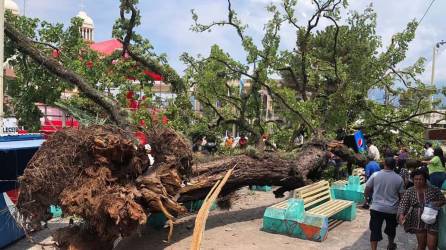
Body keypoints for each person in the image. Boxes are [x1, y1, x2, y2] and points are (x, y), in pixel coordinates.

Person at [398, 168, 446, 250]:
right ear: (413, 179)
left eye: (421, 179)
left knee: (432, 245)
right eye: (416, 179)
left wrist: (436, 203)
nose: (418, 181)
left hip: (432, 219)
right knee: (421, 244)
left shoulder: (434, 189)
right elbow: (403, 204)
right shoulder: (410, 191)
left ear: (425, 179)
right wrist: (401, 214)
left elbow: (443, 200)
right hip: (417, 220)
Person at [364, 157, 405, 250]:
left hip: (376, 208)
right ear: (395, 166)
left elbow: (367, 189)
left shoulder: (375, 175)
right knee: (391, 229)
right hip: (392, 209)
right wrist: (402, 210)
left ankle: (373, 249)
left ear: (384, 164)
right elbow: (402, 196)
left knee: (375, 230)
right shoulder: (398, 178)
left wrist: (366, 199)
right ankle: (390, 245)